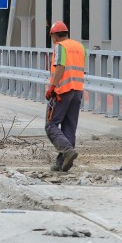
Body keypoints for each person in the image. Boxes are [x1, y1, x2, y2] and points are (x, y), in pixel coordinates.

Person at [45, 20, 86, 172]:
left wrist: (52, 87)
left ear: (55, 36)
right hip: (77, 90)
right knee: (69, 126)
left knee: (51, 125)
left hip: (63, 90)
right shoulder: (80, 47)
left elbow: (60, 67)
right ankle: (61, 163)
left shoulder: (60, 47)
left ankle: (68, 151)